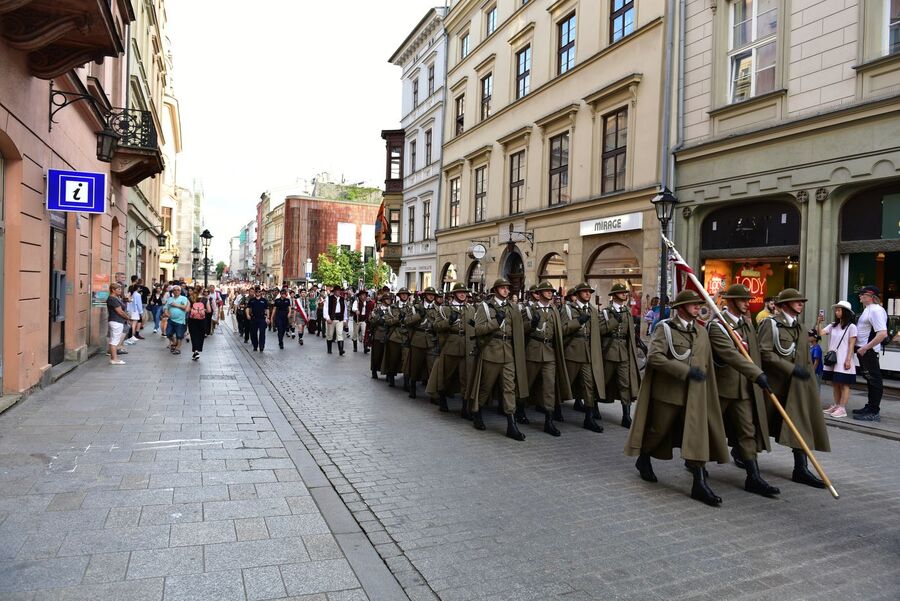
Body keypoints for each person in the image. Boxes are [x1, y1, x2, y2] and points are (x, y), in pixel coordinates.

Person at [625, 289, 729, 506]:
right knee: (657, 431)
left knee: (696, 435)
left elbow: (708, 359)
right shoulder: (666, 328)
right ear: (682, 308)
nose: (697, 307)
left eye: (698, 304)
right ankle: (644, 457)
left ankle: (699, 483)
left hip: (696, 394)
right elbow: (655, 358)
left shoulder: (701, 331)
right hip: (669, 393)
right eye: (693, 304)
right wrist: (685, 371)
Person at [707, 284, 779, 498]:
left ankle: (753, 476)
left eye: (748, 299)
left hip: (744, 389)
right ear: (730, 301)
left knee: (748, 431)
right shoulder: (718, 325)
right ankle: (696, 466)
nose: (748, 303)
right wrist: (756, 374)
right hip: (722, 388)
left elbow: (754, 353)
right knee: (708, 428)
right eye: (743, 300)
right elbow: (731, 355)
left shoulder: (747, 325)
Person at [757, 288, 830, 488]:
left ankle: (801, 468)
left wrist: (807, 380)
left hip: (796, 388)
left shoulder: (800, 327)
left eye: (801, 301)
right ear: (785, 304)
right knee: (761, 425)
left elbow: (804, 357)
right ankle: (744, 454)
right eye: (797, 301)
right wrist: (791, 369)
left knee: (800, 425)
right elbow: (765, 352)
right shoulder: (770, 324)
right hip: (774, 386)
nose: (801, 304)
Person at [470, 278, 530, 441]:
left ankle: (511, 424)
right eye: (502, 288)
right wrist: (496, 321)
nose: (506, 290)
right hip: (491, 351)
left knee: (509, 388)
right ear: (495, 290)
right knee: (486, 387)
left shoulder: (513, 307)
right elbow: (478, 329)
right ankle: (477, 412)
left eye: (507, 288)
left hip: (508, 352)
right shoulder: (485, 307)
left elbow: (518, 329)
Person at [520, 281, 572, 436]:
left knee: (550, 386)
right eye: (547, 291)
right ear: (540, 293)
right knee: (527, 383)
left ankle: (548, 421)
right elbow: (521, 330)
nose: (550, 293)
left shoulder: (554, 310)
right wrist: (531, 324)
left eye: (551, 291)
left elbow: (558, 331)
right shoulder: (529, 310)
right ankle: (520, 409)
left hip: (549, 352)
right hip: (533, 351)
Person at [561, 282, 606, 433]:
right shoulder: (568, 308)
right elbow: (563, 329)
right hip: (572, 351)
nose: (588, 294)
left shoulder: (593, 310)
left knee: (589, 386)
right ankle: (554, 408)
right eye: (585, 292)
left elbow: (597, 331)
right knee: (565, 383)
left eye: (590, 292)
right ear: (578, 293)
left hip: (587, 353)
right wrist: (578, 322)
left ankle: (589, 418)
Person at [427, 283, 476, 416]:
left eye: (464, 292)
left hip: (466, 346)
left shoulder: (470, 309)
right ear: (454, 294)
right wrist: (448, 322)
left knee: (465, 377)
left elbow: (473, 325)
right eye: (460, 292)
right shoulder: (445, 309)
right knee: (446, 375)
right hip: (451, 346)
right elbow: (436, 326)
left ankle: (465, 408)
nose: (462, 294)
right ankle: (442, 397)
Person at [598, 283, 643, 428]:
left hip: (623, 352)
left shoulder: (627, 311)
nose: (625, 294)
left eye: (625, 293)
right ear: (614, 295)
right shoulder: (606, 311)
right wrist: (614, 321)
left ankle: (626, 416)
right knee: (602, 382)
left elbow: (630, 332)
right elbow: (600, 330)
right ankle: (592, 408)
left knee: (625, 384)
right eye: (621, 292)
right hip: (609, 351)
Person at [852, 285, 888, 421]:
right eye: (860, 294)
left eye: (863, 294)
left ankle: (874, 411)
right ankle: (870, 406)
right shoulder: (868, 310)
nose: (860, 296)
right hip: (864, 350)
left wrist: (866, 347)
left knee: (874, 380)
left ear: (871, 297)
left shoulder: (876, 310)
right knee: (869, 379)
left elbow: (882, 333)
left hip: (869, 351)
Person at [818, 301, 857, 418]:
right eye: (836, 310)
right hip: (833, 359)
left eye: (839, 310)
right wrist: (819, 322)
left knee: (845, 384)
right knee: (835, 383)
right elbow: (820, 333)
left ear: (845, 312)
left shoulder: (852, 327)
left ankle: (842, 408)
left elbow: (851, 344)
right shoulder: (833, 325)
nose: (836, 312)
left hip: (844, 358)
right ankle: (837, 405)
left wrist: (848, 359)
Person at [406, 287, 440, 400]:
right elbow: (407, 321)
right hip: (418, 339)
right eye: (429, 294)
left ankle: (433, 394)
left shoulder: (437, 309)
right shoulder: (416, 307)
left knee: (432, 367)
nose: (431, 296)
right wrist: (419, 316)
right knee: (415, 365)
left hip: (431, 340)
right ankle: (413, 387)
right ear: (425, 295)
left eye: (433, 295)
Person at [369, 292, 393, 380]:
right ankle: (374, 370)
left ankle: (387, 372)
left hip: (389, 333)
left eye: (390, 299)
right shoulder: (377, 309)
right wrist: (379, 318)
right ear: (383, 300)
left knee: (387, 355)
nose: (389, 301)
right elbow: (371, 321)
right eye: (387, 299)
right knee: (377, 354)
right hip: (378, 334)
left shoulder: (392, 310)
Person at [107, 283, 130, 365]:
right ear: (113, 290)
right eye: (118, 289)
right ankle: (114, 359)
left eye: (120, 289)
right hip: (116, 321)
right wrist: (127, 317)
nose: (120, 291)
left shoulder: (115, 298)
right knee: (115, 341)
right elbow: (120, 311)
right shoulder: (112, 299)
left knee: (113, 340)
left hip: (116, 321)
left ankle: (113, 358)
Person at [187, 286, 211, 360]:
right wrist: (203, 310)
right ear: (202, 291)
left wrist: (193, 310)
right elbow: (209, 310)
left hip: (192, 320)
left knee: (193, 335)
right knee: (200, 335)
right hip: (202, 320)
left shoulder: (190, 298)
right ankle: (198, 350)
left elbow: (187, 310)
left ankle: (195, 351)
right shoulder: (205, 299)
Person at [164, 285, 189, 355]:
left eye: (178, 290)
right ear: (172, 291)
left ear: (180, 291)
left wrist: (175, 305)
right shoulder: (170, 299)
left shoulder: (183, 298)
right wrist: (166, 312)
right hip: (171, 319)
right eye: (174, 290)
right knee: (168, 333)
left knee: (179, 335)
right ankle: (174, 342)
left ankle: (177, 348)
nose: (176, 291)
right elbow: (166, 307)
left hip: (180, 320)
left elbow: (185, 307)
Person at [324, 284, 348, 355]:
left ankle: (341, 350)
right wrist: (327, 318)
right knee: (330, 335)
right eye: (337, 291)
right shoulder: (329, 298)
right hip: (331, 319)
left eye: (339, 291)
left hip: (339, 319)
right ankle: (329, 349)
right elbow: (325, 309)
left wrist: (345, 319)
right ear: (334, 291)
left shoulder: (342, 299)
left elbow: (345, 310)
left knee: (340, 334)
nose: (338, 292)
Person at [245, 286, 270, 352]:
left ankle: (261, 346)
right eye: (256, 291)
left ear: (261, 292)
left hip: (262, 318)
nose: (257, 293)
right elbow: (247, 308)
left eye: (259, 291)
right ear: (255, 292)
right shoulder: (252, 300)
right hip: (254, 318)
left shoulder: (264, 300)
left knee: (262, 333)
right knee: (253, 333)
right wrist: (247, 314)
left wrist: (268, 318)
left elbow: (267, 309)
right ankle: (255, 346)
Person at [351, 289, 371, 353]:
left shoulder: (367, 302)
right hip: (357, 320)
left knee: (364, 334)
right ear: (359, 296)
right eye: (363, 295)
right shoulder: (356, 301)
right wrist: (356, 310)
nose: (364, 296)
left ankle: (365, 348)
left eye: (365, 295)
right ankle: (355, 347)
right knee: (355, 334)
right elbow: (353, 308)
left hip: (364, 320)